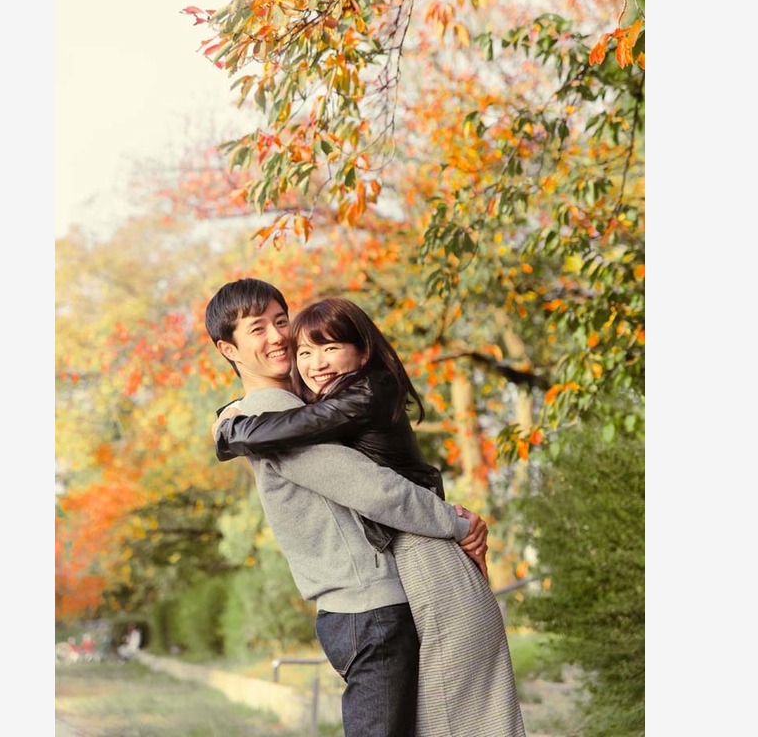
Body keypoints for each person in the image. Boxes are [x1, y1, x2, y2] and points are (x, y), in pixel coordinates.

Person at [213, 296, 527, 737]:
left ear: (362, 351)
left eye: (281, 322)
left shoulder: (351, 393)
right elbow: (375, 490)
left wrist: (229, 425)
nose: (280, 337)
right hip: (368, 607)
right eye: (258, 329)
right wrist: (457, 522)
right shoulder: (278, 412)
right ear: (228, 349)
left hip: (395, 585)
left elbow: (379, 487)